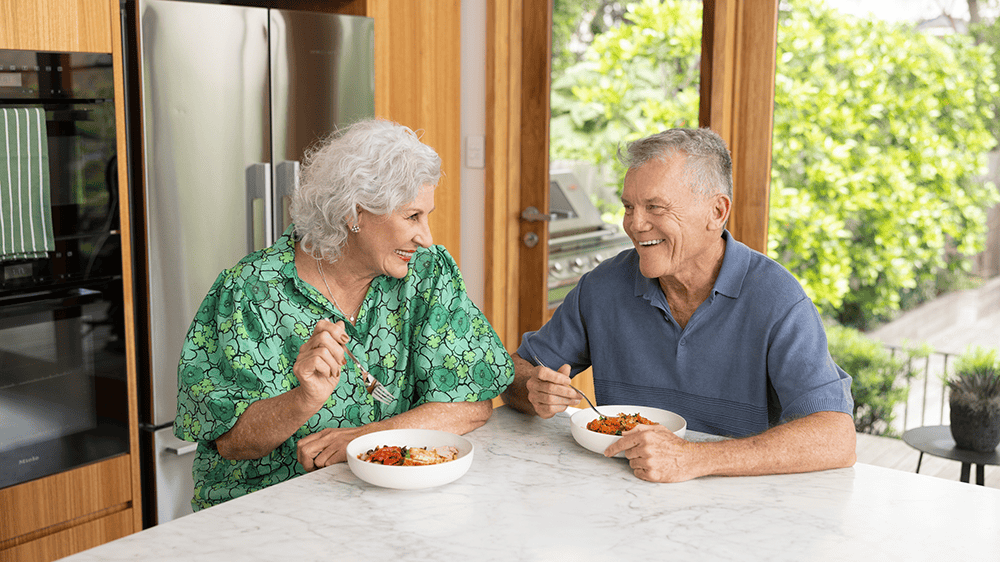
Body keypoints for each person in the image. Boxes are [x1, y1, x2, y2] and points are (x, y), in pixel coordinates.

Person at [175, 118, 513, 510]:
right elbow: (232, 442)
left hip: (383, 504)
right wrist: (303, 399)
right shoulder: (249, 291)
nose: (426, 237)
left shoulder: (426, 273)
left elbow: (471, 404)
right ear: (354, 213)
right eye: (412, 217)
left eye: (427, 215)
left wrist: (370, 437)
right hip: (266, 512)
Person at [502, 128, 856, 483]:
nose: (635, 224)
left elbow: (836, 437)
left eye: (655, 207)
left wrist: (694, 458)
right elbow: (515, 371)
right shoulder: (602, 287)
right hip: (622, 489)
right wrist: (533, 388)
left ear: (717, 212)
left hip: (738, 500)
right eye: (629, 207)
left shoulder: (777, 298)